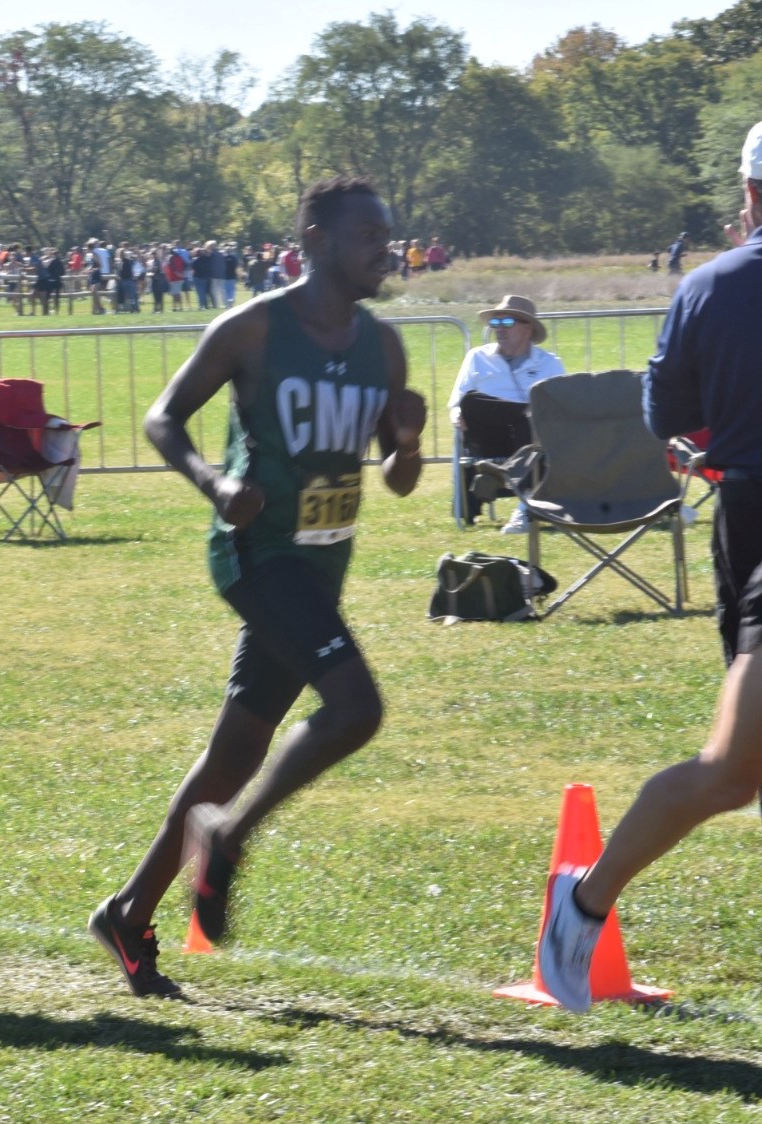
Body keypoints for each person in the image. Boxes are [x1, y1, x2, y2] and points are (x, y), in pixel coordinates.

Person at [87, 176, 425, 998]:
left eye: (390, 235)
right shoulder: (254, 329)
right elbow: (164, 417)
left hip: (320, 567)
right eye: (368, 236)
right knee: (356, 708)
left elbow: (399, 477)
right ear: (314, 238)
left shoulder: (382, 346)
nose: (387, 248)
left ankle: (127, 916)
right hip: (255, 554)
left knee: (233, 754)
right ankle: (228, 839)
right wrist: (214, 484)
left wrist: (408, 444)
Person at [537, 124, 762, 1013]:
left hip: (744, 515)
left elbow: (667, 410)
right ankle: (582, 901)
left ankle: (583, 901)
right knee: (730, 772)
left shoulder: (706, 288)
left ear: (746, 193)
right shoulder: (714, 286)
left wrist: (716, 446)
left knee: (738, 775)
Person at [447, 295, 566, 531]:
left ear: (527, 328)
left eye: (507, 323)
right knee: (472, 401)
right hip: (486, 438)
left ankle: (522, 507)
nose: (499, 330)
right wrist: (456, 415)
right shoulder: (477, 357)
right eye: (495, 323)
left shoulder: (549, 364)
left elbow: (560, 410)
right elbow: (457, 401)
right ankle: (510, 484)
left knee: (530, 417)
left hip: (531, 441)